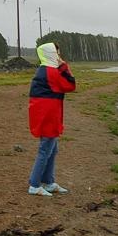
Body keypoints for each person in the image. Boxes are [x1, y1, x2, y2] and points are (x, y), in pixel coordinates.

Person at [27, 42, 76, 196]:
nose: (59, 56)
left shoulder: (44, 71)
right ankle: (34, 185)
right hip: (47, 114)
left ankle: (48, 182)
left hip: (47, 113)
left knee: (52, 149)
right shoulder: (50, 72)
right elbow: (70, 85)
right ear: (51, 54)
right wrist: (64, 67)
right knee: (46, 149)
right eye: (57, 53)